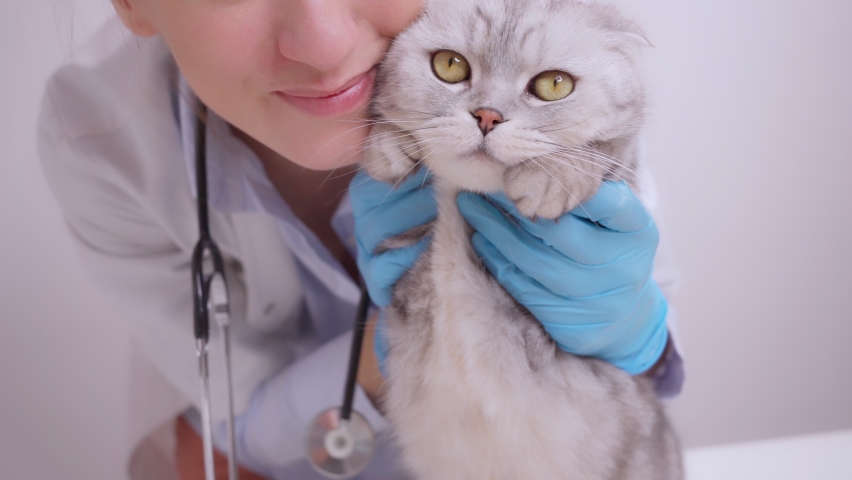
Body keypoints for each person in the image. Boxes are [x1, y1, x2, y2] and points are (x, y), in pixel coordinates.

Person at [38, 0, 684, 478]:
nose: (320, 43)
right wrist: (394, 341)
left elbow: (645, 361)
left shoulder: (534, 47)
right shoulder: (98, 137)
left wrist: (640, 337)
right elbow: (235, 426)